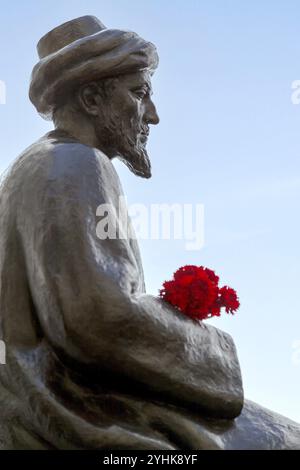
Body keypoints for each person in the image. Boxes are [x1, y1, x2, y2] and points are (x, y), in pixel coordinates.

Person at [0, 16, 299, 450]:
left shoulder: (35, 166)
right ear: (90, 98)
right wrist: (212, 346)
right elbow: (95, 318)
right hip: (77, 409)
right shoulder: (75, 163)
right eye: (140, 93)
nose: (153, 116)